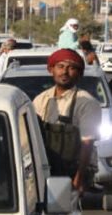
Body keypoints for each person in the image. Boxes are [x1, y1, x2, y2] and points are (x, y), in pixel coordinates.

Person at [33, 49, 102, 194]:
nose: (65, 72)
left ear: (79, 74)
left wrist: (79, 179)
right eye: (60, 67)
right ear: (51, 70)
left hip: (72, 173)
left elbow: (87, 143)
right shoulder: (41, 99)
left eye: (71, 68)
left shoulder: (87, 103)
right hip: (45, 171)